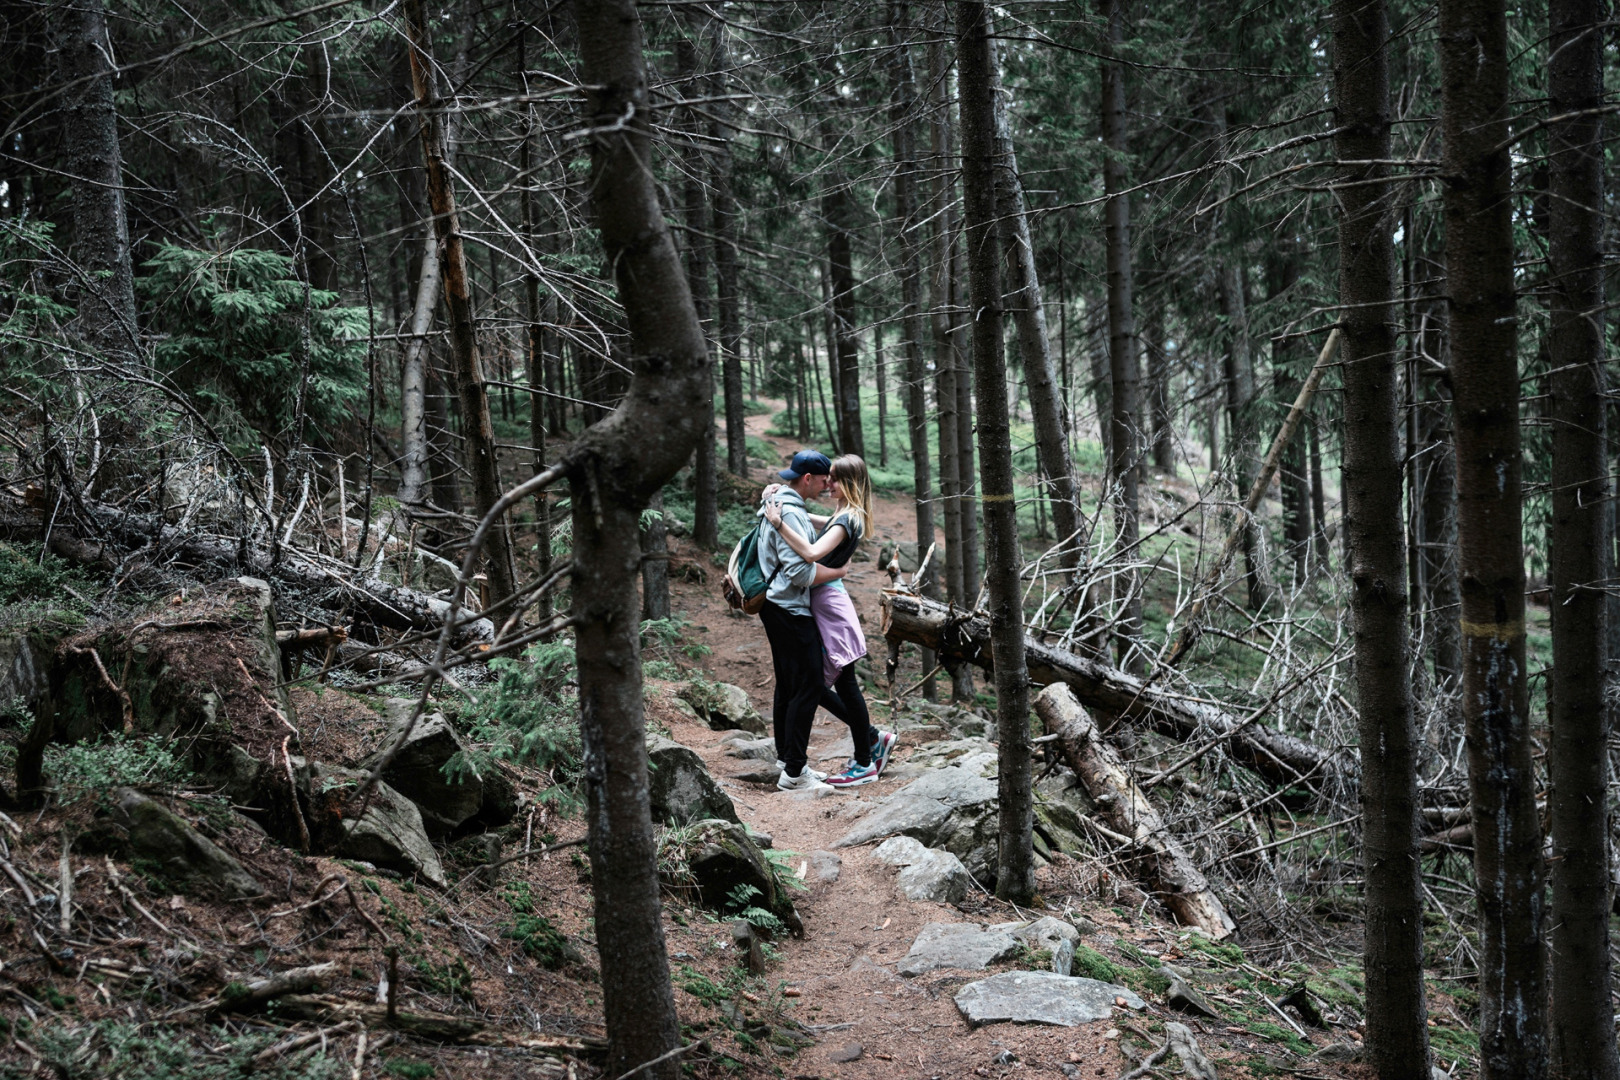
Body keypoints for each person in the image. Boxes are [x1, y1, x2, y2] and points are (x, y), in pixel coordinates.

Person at [764, 454, 896, 788]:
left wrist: (780, 524)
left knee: (844, 682)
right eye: (827, 477)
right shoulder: (844, 514)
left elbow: (809, 554)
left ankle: (865, 759)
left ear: (849, 484)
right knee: (820, 684)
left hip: (829, 604)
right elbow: (815, 520)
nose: (828, 484)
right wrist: (778, 497)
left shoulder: (846, 519)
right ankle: (871, 740)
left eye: (835, 479)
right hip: (824, 601)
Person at [756, 450, 847, 792]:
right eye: (824, 480)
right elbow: (799, 572)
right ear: (807, 478)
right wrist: (837, 572)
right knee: (809, 685)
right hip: (790, 610)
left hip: (775, 606)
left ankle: (788, 761)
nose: (828, 486)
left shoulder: (779, 501)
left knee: (789, 684)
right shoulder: (790, 513)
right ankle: (795, 773)